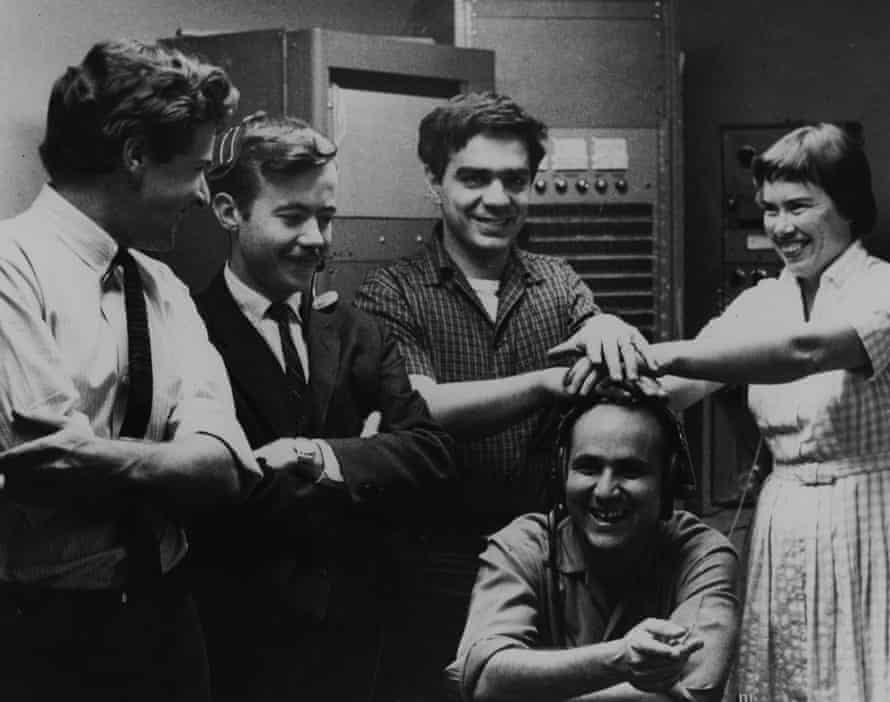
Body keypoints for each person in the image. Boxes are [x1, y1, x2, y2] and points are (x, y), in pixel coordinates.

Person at [355, 92, 650, 698]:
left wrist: (611, 329)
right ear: (434, 181)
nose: (496, 198)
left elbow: (614, 392)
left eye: (514, 180)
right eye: (474, 178)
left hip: (553, 569)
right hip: (433, 573)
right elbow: (419, 410)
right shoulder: (392, 293)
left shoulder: (560, 284)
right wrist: (546, 383)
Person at [0, 40, 260, 702]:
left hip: (169, 623)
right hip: (44, 639)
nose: (203, 196)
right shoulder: (11, 269)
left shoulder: (164, 286)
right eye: (196, 168)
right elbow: (45, 461)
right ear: (135, 156)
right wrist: (167, 462)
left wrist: (104, 459)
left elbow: (226, 466)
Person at [187, 113, 456, 702]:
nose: (316, 238)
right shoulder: (187, 332)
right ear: (229, 212)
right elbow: (205, 501)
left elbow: (433, 456)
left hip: (367, 648)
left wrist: (320, 456)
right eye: (292, 216)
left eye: (326, 217)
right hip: (243, 651)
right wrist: (369, 458)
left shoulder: (358, 332)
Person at [647, 123, 889, 701]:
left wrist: (671, 350)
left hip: (871, 520)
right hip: (782, 520)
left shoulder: (881, 290)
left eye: (800, 206)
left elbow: (806, 352)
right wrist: (610, 362)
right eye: (770, 209)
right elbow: (678, 387)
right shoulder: (762, 301)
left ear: (849, 206)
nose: (781, 227)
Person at [447, 378, 740, 702]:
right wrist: (621, 659)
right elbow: (486, 680)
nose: (604, 491)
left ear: (667, 479)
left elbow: (691, 692)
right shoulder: (522, 546)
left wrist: (530, 690)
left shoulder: (702, 553)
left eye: (630, 471)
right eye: (588, 468)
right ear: (562, 471)